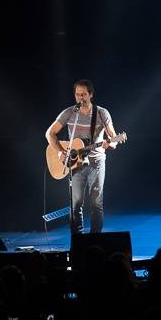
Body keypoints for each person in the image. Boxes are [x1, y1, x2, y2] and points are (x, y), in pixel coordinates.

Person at [45, 79, 119, 234]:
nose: (80, 98)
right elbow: (50, 133)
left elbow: (113, 138)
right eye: (77, 94)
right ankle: (78, 240)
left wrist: (110, 144)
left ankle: (95, 240)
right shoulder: (70, 112)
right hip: (76, 164)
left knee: (96, 204)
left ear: (90, 95)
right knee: (75, 204)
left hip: (96, 163)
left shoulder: (101, 113)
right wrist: (59, 151)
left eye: (83, 94)